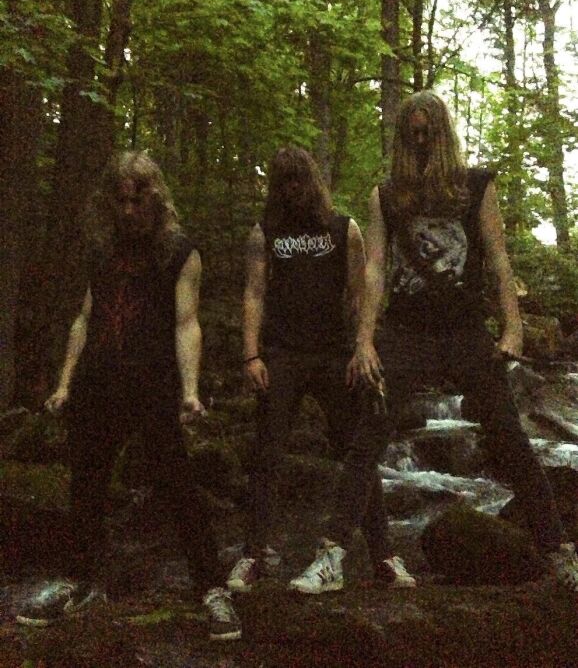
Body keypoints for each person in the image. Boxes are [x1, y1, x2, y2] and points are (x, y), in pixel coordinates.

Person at [350, 90, 577, 591]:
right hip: (405, 330)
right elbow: (375, 269)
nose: (421, 140)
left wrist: (513, 327)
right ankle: (336, 552)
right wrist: (365, 340)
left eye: (428, 132)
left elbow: (497, 257)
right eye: (412, 133)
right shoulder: (386, 196)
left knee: (507, 434)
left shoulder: (476, 186)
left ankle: (558, 548)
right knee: (368, 434)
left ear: (443, 134)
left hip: (465, 330)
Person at [16, 151, 242, 639]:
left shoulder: (180, 252)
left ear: (155, 201)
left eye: (137, 201)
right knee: (87, 485)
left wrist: (190, 390)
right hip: (98, 382)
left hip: (152, 384)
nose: (128, 211)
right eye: (120, 202)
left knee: (177, 485)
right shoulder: (103, 251)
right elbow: (85, 318)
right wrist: (65, 382)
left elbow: (187, 323)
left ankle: (212, 587)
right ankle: (79, 582)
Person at [226, 146, 416, 596]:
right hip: (282, 354)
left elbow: (360, 292)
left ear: (312, 181)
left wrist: (362, 349)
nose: (292, 189)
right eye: (284, 182)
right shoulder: (265, 232)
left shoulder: (343, 228)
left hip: (335, 354)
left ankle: (384, 555)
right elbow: (254, 293)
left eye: (299, 180)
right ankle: (253, 554)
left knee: (357, 452)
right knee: (267, 453)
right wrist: (251, 356)